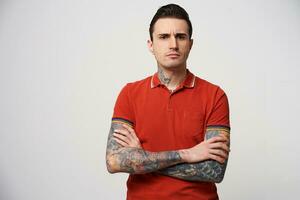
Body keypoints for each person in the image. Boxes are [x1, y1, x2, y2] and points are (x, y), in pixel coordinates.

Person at [106, 3, 230, 200]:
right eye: (163, 37)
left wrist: (142, 158)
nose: (173, 44)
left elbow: (214, 171)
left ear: (190, 43)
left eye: (180, 37)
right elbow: (114, 161)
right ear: (151, 45)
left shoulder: (215, 95)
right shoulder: (129, 93)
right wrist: (186, 154)